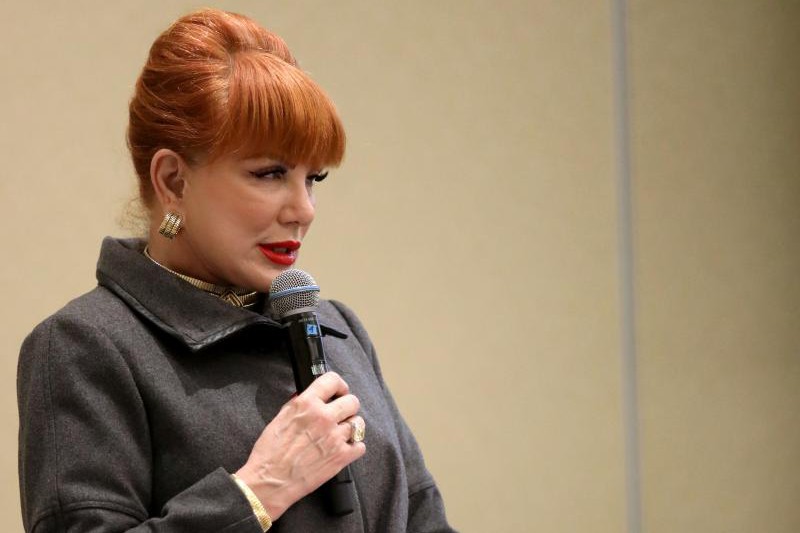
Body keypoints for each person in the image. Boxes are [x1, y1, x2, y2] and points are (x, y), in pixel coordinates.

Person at [17, 8, 455, 532]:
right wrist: (260, 488)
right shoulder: (84, 346)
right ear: (173, 180)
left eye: (313, 179)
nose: (303, 210)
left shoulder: (339, 331)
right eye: (270, 173)